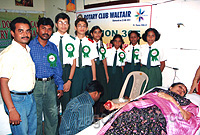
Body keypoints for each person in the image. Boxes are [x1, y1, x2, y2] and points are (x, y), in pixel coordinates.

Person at [98, 82, 200, 135]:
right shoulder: (158, 91)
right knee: (127, 115)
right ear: (170, 88)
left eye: (184, 91)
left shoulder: (184, 102)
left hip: (161, 116)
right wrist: (116, 106)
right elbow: (138, 101)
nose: (181, 91)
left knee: (150, 122)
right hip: (143, 108)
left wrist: (172, 100)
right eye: (180, 87)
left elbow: (187, 116)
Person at [0, 17, 37, 135]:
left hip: (30, 97)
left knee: (32, 132)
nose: (25, 34)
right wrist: (11, 109)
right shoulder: (8, 54)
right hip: (17, 100)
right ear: (12, 33)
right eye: (20, 31)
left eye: (27, 31)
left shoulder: (26, 50)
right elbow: (3, 82)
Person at [29, 17, 64, 135]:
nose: (46, 32)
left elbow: (57, 68)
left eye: (49, 29)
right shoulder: (29, 46)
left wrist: (60, 85)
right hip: (35, 85)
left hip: (50, 84)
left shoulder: (53, 47)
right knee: (36, 115)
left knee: (52, 115)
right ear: (37, 29)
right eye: (43, 28)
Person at [49, 13, 77, 113]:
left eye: (66, 23)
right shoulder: (50, 39)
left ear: (69, 25)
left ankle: (65, 127)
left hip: (66, 71)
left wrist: (69, 80)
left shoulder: (73, 40)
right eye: (61, 22)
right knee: (53, 104)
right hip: (53, 71)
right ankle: (54, 128)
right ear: (56, 24)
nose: (63, 25)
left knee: (66, 104)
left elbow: (74, 63)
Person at [70, 17, 98, 99]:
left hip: (87, 71)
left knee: (88, 96)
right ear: (75, 28)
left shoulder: (91, 42)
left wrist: (94, 78)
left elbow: (93, 62)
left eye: (84, 26)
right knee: (75, 95)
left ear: (86, 28)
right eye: (79, 26)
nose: (82, 28)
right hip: (76, 71)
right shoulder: (71, 42)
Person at [89, 26, 109, 114]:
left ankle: (99, 111)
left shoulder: (103, 44)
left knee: (100, 88)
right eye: (95, 32)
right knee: (93, 88)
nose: (97, 34)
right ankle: (91, 110)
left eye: (99, 32)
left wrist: (106, 74)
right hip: (92, 66)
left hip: (100, 67)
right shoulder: (89, 43)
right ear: (91, 34)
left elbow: (104, 59)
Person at [140, 28, 166, 92]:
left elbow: (163, 63)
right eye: (148, 35)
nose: (150, 38)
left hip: (155, 71)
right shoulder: (142, 47)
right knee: (143, 88)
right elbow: (140, 61)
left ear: (156, 37)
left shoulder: (159, 48)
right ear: (145, 37)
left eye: (153, 36)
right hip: (144, 69)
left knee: (153, 90)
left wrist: (157, 72)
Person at [106, 34, 126, 99]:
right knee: (108, 88)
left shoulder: (123, 52)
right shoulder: (108, 50)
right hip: (109, 70)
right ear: (113, 42)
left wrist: (121, 74)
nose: (117, 43)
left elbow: (122, 66)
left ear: (122, 42)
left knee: (117, 87)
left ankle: (115, 104)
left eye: (119, 41)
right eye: (116, 41)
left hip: (118, 71)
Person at [123, 31, 141, 97]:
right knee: (128, 83)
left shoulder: (141, 48)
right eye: (131, 37)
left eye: (135, 37)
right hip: (128, 67)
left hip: (137, 66)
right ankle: (126, 97)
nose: (133, 39)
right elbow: (124, 61)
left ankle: (135, 98)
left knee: (136, 83)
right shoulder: (127, 48)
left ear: (138, 38)